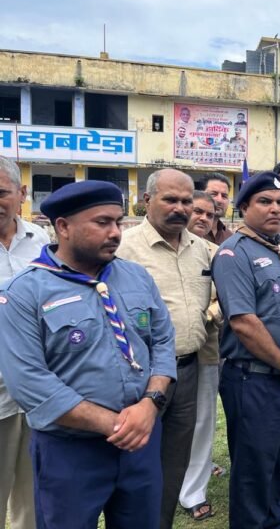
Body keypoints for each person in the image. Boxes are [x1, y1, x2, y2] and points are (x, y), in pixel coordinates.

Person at [0, 180, 176, 529]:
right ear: (63, 227)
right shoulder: (24, 292)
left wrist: (151, 403)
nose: (115, 232)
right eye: (102, 222)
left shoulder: (136, 277)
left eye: (119, 221)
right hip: (70, 452)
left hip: (140, 442)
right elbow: (30, 382)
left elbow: (163, 342)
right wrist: (116, 424)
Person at [213, 172, 280, 529]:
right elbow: (244, 322)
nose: (276, 209)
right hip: (256, 380)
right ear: (244, 207)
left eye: (279, 202)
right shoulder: (234, 253)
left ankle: (272, 520)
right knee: (254, 466)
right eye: (265, 202)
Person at [116, 169, 212, 529]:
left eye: (187, 201)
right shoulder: (124, 249)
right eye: (170, 199)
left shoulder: (200, 248)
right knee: (135, 467)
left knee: (173, 467)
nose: (180, 208)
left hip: (187, 373)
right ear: (146, 201)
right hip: (139, 378)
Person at [0, 157, 49, 529]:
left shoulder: (42, 241)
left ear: (21, 194)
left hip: (37, 393)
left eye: (1, 192)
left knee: (33, 499)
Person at [179, 191, 223, 520]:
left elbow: (226, 298)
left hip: (206, 347)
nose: (204, 219)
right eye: (198, 211)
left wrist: (207, 315)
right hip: (161, 353)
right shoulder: (145, 247)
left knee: (203, 419)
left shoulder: (217, 254)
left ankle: (193, 491)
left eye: (210, 215)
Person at [201, 172, 234, 245]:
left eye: (224, 196)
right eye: (214, 194)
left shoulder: (230, 239)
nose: (219, 200)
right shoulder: (187, 233)